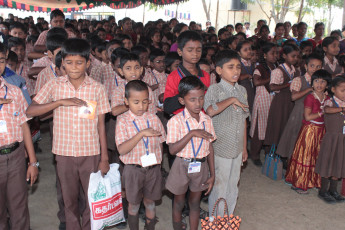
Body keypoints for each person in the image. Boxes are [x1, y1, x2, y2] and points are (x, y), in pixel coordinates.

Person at [26, 38, 111, 229]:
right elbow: (30, 111)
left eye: (79, 63)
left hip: (90, 152)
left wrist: (104, 157)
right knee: (68, 199)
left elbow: (101, 126)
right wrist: (59, 102)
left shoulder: (97, 88)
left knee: (91, 198)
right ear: (62, 62)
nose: (74, 67)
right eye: (69, 62)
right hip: (64, 153)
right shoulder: (55, 85)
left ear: (88, 64)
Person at [166, 76, 216, 230]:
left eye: (201, 98)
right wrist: (191, 133)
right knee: (179, 202)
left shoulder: (207, 120)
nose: (198, 103)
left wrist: (212, 174)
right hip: (181, 165)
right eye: (192, 99)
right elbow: (172, 150)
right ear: (182, 101)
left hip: (200, 166)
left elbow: (210, 148)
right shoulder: (175, 121)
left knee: (195, 203)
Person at [115, 80, 166, 230]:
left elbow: (161, 143)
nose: (141, 106)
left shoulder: (153, 119)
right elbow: (122, 150)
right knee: (134, 205)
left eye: (145, 102)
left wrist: (158, 164)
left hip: (152, 168)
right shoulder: (123, 121)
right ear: (126, 101)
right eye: (136, 102)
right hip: (133, 170)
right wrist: (142, 133)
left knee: (150, 203)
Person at [204, 49, 249, 215]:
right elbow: (209, 111)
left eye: (238, 67)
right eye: (230, 67)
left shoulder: (242, 91)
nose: (236, 71)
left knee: (233, 184)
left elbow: (244, 120)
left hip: (237, 147)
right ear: (219, 70)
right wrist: (231, 100)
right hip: (221, 148)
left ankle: (227, 219)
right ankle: (216, 220)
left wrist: (244, 148)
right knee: (219, 186)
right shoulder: (214, 90)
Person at [0, 41, 39, 230]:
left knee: (19, 208)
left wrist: (32, 162)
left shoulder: (14, 91)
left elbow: (24, 126)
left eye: (0, 61)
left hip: (15, 156)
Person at [285, 69, 331, 194]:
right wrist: (323, 111)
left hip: (321, 131)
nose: (319, 84)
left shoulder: (327, 98)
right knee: (306, 156)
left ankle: (313, 180)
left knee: (316, 157)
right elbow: (308, 117)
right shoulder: (310, 97)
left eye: (323, 82)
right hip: (309, 131)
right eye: (316, 81)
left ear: (327, 84)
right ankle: (299, 183)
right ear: (312, 83)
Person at [276, 54, 322, 160]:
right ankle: (291, 167)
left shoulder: (320, 82)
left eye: (318, 67)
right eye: (312, 66)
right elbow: (294, 97)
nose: (315, 69)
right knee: (294, 139)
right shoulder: (299, 80)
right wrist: (309, 89)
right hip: (299, 113)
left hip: (314, 116)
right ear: (306, 66)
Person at [164, 30, 211, 115]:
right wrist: (188, 92)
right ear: (180, 51)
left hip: (202, 119)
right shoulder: (174, 76)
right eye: (190, 50)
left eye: (198, 50)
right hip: (182, 122)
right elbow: (167, 107)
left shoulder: (205, 75)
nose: (195, 54)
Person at [315, 76, 345, 203]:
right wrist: (342, 109)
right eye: (343, 90)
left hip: (342, 140)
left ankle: (333, 190)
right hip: (331, 139)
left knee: (338, 164)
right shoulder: (329, 101)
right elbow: (327, 110)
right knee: (328, 164)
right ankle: (323, 191)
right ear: (333, 89)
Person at [264, 44, 299, 147]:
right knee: (278, 126)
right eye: (293, 56)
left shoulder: (295, 71)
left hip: (291, 102)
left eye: (297, 56)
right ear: (284, 56)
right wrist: (288, 84)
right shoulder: (278, 71)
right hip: (280, 102)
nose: (295, 59)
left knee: (287, 126)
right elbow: (272, 87)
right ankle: (273, 152)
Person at [250, 42, 278, 166]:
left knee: (270, 127)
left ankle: (268, 153)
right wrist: (272, 77)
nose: (275, 55)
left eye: (276, 53)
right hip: (262, 99)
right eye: (272, 53)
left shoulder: (276, 66)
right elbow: (256, 82)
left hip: (273, 99)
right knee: (259, 128)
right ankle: (255, 154)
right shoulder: (260, 67)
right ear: (265, 55)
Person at [237, 40, 255, 113]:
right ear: (239, 53)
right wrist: (247, 75)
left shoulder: (251, 63)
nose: (249, 51)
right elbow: (236, 77)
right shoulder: (238, 64)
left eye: (250, 49)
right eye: (245, 50)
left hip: (251, 90)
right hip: (242, 91)